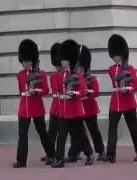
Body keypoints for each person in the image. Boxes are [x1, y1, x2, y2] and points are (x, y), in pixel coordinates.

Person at [13, 39, 55, 168]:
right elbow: (21, 91)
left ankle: (52, 155)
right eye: (24, 61)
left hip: (36, 107)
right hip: (24, 108)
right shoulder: (19, 75)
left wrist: (36, 92)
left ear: (32, 60)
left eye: (28, 61)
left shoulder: (40, 73)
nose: (25, 63)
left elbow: (46, 90)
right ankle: (21, 160)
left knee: (42, 132)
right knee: (22, 134)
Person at [51, 39, 94, 168]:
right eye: (62, 59)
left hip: (75, 110)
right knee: (61, 136)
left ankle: (89, 153)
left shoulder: (77, 76)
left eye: (64, 59)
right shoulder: (58, 76)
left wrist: (73, 94)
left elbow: (82, 91)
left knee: (80, 134)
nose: (62, 62)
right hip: (63, 111)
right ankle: (59, 159)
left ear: (70, 60)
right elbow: (57, 92)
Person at [106, 34, 137, 163]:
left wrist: (127, 89)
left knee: (133, 128)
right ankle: (111, 154)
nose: (114, 58)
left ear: (122, 54)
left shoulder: (130, 68)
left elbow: (136, 86)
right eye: (113, 55)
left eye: (116, 55)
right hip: (115, 103)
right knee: (112, 128)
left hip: (128, 102)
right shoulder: (111, 70)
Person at [67, 45, 106, 161]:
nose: (79, 68)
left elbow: (96, 92)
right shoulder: (73, 78)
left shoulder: (91, 78)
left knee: (94, 130)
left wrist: (88, 92)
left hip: (89, 107)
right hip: (78, 107)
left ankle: (101, 151)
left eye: (81, 66)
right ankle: (75, 152)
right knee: (76, 132)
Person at [40, 42, 62, 162]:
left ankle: (76, 151)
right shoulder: (53, 76)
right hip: (55, 107)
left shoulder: (66, 75)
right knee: (52, 132)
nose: (57, 67)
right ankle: (50, 154)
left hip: (65, 107)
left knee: (74, 132)